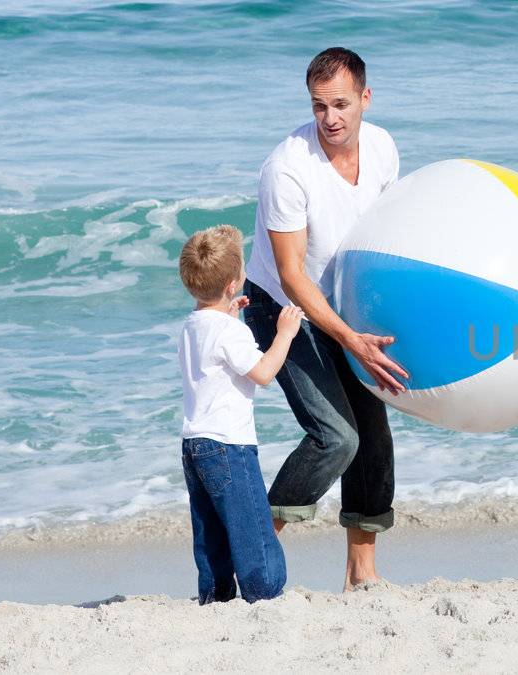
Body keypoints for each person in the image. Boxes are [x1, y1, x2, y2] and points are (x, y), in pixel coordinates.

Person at [242, 47, 408, 590]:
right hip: (283, 306)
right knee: (336, 436)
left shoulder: (382, 147)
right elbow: (291, 275)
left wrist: (378, 324)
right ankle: (251, 544)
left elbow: (386, 238)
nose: (330, 118)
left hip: (346, 298)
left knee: (373, 435)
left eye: (340, 104)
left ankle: (362, 574)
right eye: (319, 106)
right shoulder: (287, 170)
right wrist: (349, 341)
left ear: (365, 98)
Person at [176, 225, 304, 604]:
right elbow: (263, 373)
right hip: (229, 444)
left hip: (194, 442)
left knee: (210, 527)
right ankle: (264, 591)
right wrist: (285, 333)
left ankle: (215, 595)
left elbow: (214, 351)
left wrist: (230, 315)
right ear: (234, 284)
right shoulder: (232, 334)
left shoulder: (191, 325)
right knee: (251, 523)